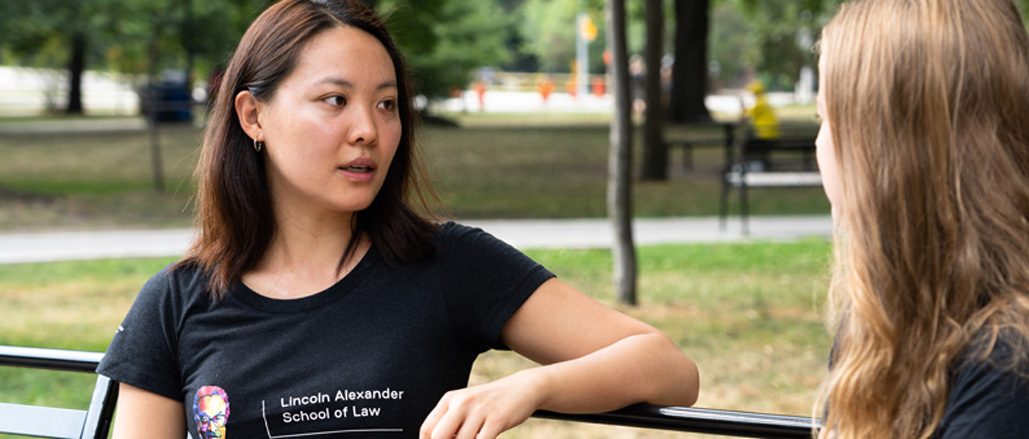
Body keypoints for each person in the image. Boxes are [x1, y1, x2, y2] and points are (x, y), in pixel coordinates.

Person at [96, 1, 699, 438]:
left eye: (386, 104)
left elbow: (669, 369)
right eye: (335, 100)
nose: (368, 130)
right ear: (253, 116)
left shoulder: (446, 265)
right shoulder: (175, 303)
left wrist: (528, 387)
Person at [812, 1, 1029, 438]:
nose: (819, 145)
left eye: (824, 119)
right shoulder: (892, 324)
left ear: (884, 152)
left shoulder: (1019, 367)